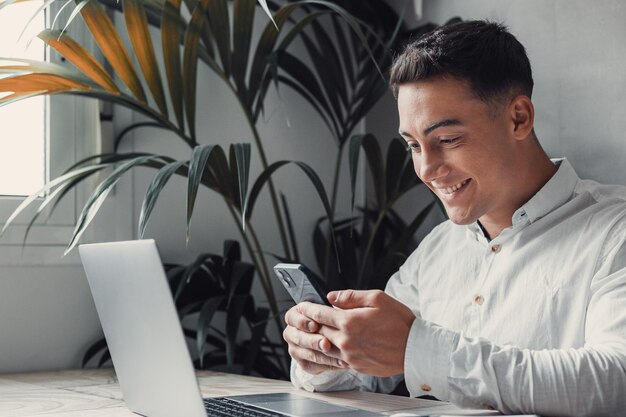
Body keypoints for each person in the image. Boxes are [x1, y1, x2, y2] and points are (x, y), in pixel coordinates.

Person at [282, 20, 626, 416]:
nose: (426, 169)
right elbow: (366, 371)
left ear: (518, 117)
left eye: (446, 140)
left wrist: (420, 349)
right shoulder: (437, 249)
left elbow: (614, 381)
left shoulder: (614, 232)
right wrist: (323, 352)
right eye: (413, 145)